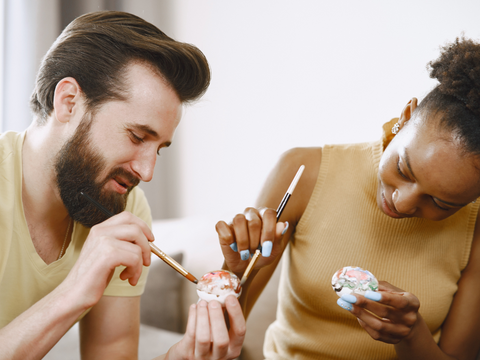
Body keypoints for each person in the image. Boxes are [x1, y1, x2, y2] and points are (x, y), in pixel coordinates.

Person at [0, 11, 245, 360]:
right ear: (68, 102)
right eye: (136, 136)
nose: (146, 172)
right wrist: (75, 292)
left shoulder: (124, 207)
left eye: (158, 148)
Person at [216, 36, 480, 360]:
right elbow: (214, 341)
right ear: (406, 117)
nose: (403, 202)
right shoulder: (304, 172)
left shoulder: (475, 226)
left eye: (442, 203)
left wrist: (412, 336)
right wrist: (237, 274)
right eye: (404, 169)